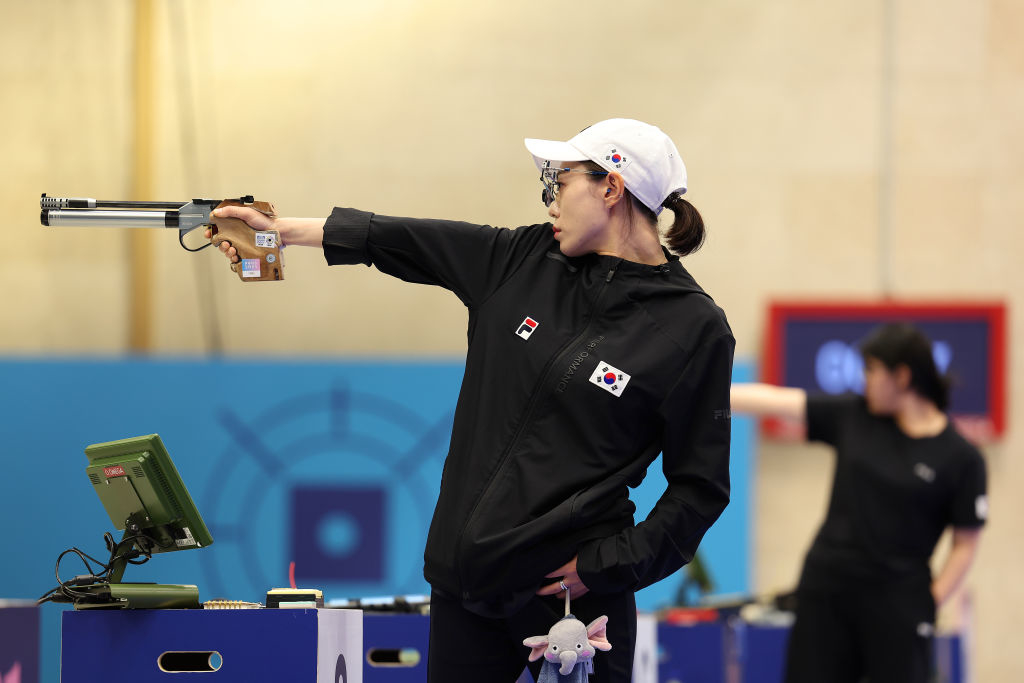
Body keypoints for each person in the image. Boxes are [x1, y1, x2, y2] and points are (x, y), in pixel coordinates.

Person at [208, 118, 734, 681]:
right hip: (465, 587)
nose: (551, 202)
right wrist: (279, 231)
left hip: (573, 604)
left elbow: (699, 489)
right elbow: (400, 238)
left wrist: (602, 569)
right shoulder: (522, 259)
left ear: (611, 187)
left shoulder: (693, 328)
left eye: (559, 182)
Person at [731, 323, 987, 683]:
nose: (862, 380)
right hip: (827, 592)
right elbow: (778, 401)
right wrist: (707, 390)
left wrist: (929, 603)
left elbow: (965, 544)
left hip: (899, 603)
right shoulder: (855, 416)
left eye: (870, 370)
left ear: (902, 376)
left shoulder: (961, 458)